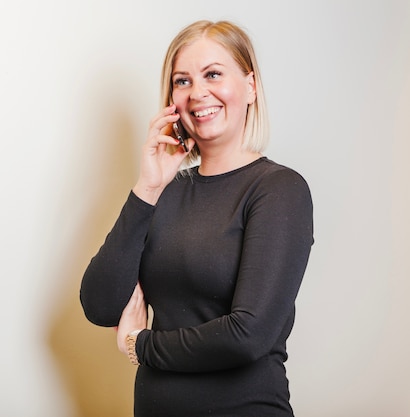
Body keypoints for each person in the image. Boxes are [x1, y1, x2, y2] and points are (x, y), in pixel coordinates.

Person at [79, 19, 314, 417]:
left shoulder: (278, 190)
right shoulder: (164, 192)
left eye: (213, 74)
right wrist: (148, 188)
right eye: (182, 80)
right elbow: (100, 304)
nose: (197, 92)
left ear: (251, 86)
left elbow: (246, 335)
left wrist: (140, 344)